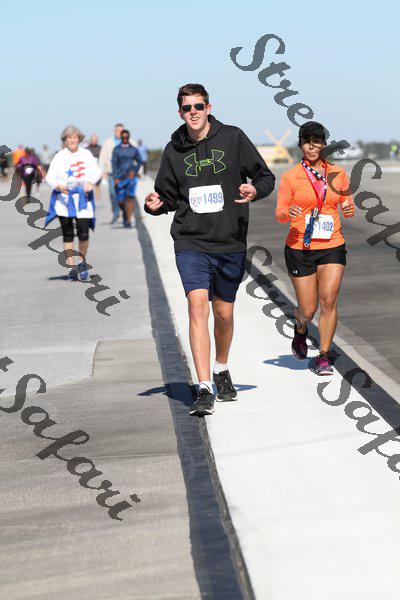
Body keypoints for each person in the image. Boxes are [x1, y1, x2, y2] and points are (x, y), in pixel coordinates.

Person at [145, 83, 275, 416]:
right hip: (191, 241)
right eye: (187, 108)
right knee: (197, 305)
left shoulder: (233, 138)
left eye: (198, 106)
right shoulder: (174, 150)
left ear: (208, 108)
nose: (193, 112)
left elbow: (265, 177)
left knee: (224, 314)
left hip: (229, 240)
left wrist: (254, 191)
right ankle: (204, 387)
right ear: (180, 113)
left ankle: (222, 368)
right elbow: (166, 197)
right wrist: (154, 205)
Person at [275, 121, 355, 376]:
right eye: (307, 141)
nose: (312, 146)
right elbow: (279, 213)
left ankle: (323, 355)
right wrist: (288, 212)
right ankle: (300, 328)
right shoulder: (291, 177)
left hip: (332, 244)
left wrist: (348, 208)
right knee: (308, 310)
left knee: (328, 300)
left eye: (317, 141)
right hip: (300, 247)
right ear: (300, 145)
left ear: (324, 145)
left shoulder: (338, 174)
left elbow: (347, 205)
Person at [45, 125, 102, 282]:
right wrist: (57, 186)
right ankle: (71, 268)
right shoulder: (59, 156)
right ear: (65, 140)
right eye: (69, 138)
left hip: (83, 200)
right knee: (68, 234)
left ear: (79, 139)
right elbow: (49, 177)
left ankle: (82, 263)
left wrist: (91, 182)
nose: (72, 140)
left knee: (84, 233)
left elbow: (97, 171)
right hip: (64, 201)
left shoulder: (86, 154)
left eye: (75, 137)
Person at [99, 123, 137, 224]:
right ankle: (116, 213)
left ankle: (126, 214)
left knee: (127, 195)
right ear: (114, 131)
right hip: (112, 173)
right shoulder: (108, 142)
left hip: (127, 174)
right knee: (113, 193)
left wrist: (137, 171)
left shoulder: (132, 142)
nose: (119, 132)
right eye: (117, 130)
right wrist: (102, 171)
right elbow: (102, 156)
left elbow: (137, 158)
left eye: (121, 130)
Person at [112, 129, 142, 228]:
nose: (125, 138)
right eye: (123, 137)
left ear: (129, 137)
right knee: (120, 200)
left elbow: (139, 161)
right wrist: (116, 177)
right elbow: (114, 163)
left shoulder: (134, 149)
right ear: (121, 137)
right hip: (120, 177)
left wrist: (134, 171)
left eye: (126, 137)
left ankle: (128, 220)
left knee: (130, 198)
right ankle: (125, 214)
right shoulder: (116, 149)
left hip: (131, 177)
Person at [87, 134, 102, 202]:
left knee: (97, 184)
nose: (94, 141)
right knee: (89, 183)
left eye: (95, 140)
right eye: (93, 140)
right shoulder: (87, 149)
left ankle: (97, 200)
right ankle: (89, 198)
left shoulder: (100, 148)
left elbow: (102, 159)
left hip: (98, 168)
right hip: (89, 169)